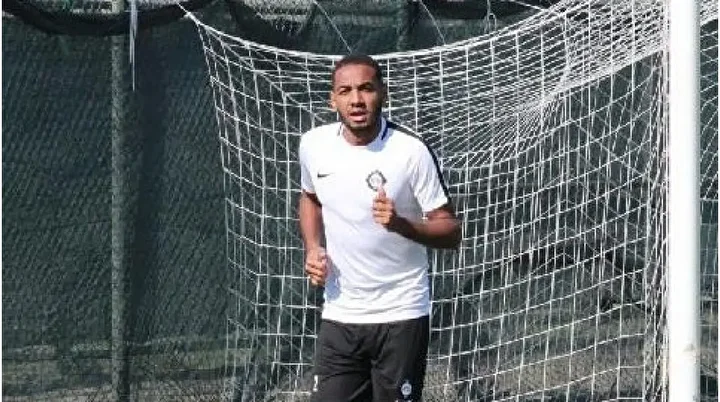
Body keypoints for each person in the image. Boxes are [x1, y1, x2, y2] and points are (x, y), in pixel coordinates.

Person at [298, 54, 461, 402]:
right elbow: (310, 197)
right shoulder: (313, 145)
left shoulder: (410, 152)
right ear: (332, 100)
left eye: (366, 89)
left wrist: (400, 224)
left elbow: (450, 230)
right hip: (340, 312)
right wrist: (313, 247)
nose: (356, 100)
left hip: (401, 313)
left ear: (383, 94)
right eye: (345, 91)